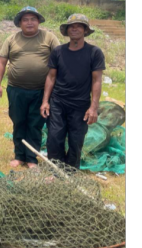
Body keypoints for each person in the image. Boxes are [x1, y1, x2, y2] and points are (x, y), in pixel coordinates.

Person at [0, 6, 60, 169]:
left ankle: (31, 158)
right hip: (16, 89)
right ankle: (19, 156)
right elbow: (2, 62)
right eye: (25, 20)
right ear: (20, 23)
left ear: (38, 21)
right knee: (18, 122)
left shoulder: (49, 38)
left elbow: (61, 60)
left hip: (41, 91)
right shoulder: (11, 39)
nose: (29, 22)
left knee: (35, 124)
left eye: (33, 19)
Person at [41, 13, 106, 168]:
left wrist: (93, 107)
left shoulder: (94, 52)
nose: (74, 29)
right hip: (58, 102)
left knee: (76, 141)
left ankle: (71, 172)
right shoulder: (58, 51)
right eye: (71, 26)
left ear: (85, 30)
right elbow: (51, 77)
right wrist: (45, 102)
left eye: (79, 26)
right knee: (54, 137)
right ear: (67, 30)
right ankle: (56, 170)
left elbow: (97, 81)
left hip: (80, 105)